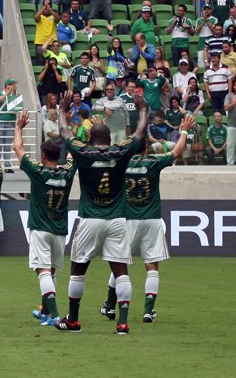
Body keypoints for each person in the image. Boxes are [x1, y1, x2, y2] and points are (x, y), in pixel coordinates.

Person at [55, 89, 148, 335]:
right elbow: (139, 133)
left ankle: (73, 320)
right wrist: (142, 109)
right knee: (121, 271)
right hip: (117, 219)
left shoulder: (82, 152)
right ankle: (123, 323)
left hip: (90, 218)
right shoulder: (121, 151)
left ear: (90, 137)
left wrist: (62, 111)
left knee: (78, 270)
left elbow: (64, 133)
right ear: (109, 138)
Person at [101, 115, 196, 324]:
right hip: (151, 219)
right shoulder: (153, 162)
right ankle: (148, 311)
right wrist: (184, 130)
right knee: (152, 266)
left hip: (128, 220)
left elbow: (103, 159)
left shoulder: (120, 165)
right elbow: (177, 151)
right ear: (146, 149)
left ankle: (109, 306)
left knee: (120, 263)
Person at [13, 111, 76, 327]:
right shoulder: (68, 173)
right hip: (59, 230)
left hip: (40, 228)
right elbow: (72, 155)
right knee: (52, 271)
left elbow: (18, 149)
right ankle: (46, 313)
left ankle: (56, 316)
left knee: (42, 271)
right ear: (57, 156)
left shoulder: (38, 171)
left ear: (42, 156)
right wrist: (68, 129)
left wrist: (19, 126)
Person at [0, 78, 23, 170]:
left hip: (11, 123)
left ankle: (7, 165)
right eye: (12, 84)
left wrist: (12, 94)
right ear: (7, 85)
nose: (14, 86)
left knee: (7, 146)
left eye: (15, 84)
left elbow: (18, 108)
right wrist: (6, 94)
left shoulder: (16, 95)